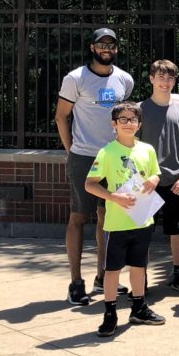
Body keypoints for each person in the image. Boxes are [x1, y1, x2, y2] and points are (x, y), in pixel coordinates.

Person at [55, 27, 134, 305]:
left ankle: (104, 277)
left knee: (107, 218)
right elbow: (61, 116)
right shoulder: (75, 78)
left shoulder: (124, 79)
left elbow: (128, 115)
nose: (107, 49)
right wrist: (71, 152)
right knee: (78, 217)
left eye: (111, 44)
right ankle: (76, 282)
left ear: (116, 48)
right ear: (92, 47)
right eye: (102, 44)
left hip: (113, 158)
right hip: (84, 157)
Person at [83, 102, 164, 337]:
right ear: (114, 124)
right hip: (117, 223)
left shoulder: (147, 149)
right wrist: (113, 196)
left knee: (139, 267)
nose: (129, 123)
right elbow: (90, 184)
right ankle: (110, 314)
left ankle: (139, 307)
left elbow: (155, 173)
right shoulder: (107, 152)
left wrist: (154, 181)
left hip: (142, 220)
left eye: (133, 119)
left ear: (139, 124)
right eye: (123, 119)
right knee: (113, 270)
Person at [139, 59, 179, 294]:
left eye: (170, 77)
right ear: (151, 79)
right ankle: (139, 275)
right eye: (161, 77)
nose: (165, 82)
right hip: (147, 182)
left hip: (176, 181)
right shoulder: (140, 109)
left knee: (177, 230)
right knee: (142, 231)